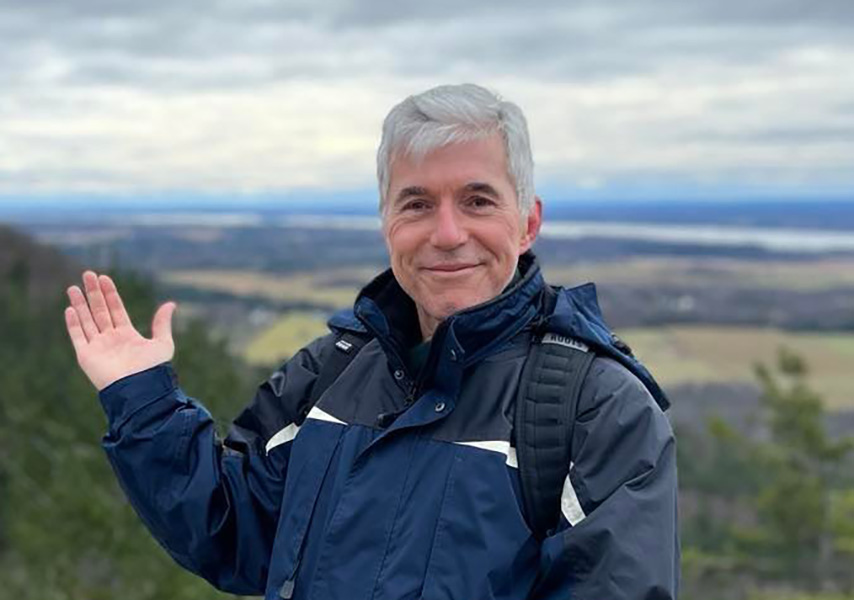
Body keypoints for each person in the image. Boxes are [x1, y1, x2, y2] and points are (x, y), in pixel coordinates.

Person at [64, 84, 679, 600]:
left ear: (528, 223)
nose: (446, 233)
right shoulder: (334, 370)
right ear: (386, 222)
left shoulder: (595, 408)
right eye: (417, 204)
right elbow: (233, 531)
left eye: (477, 200)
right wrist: (141, 401)